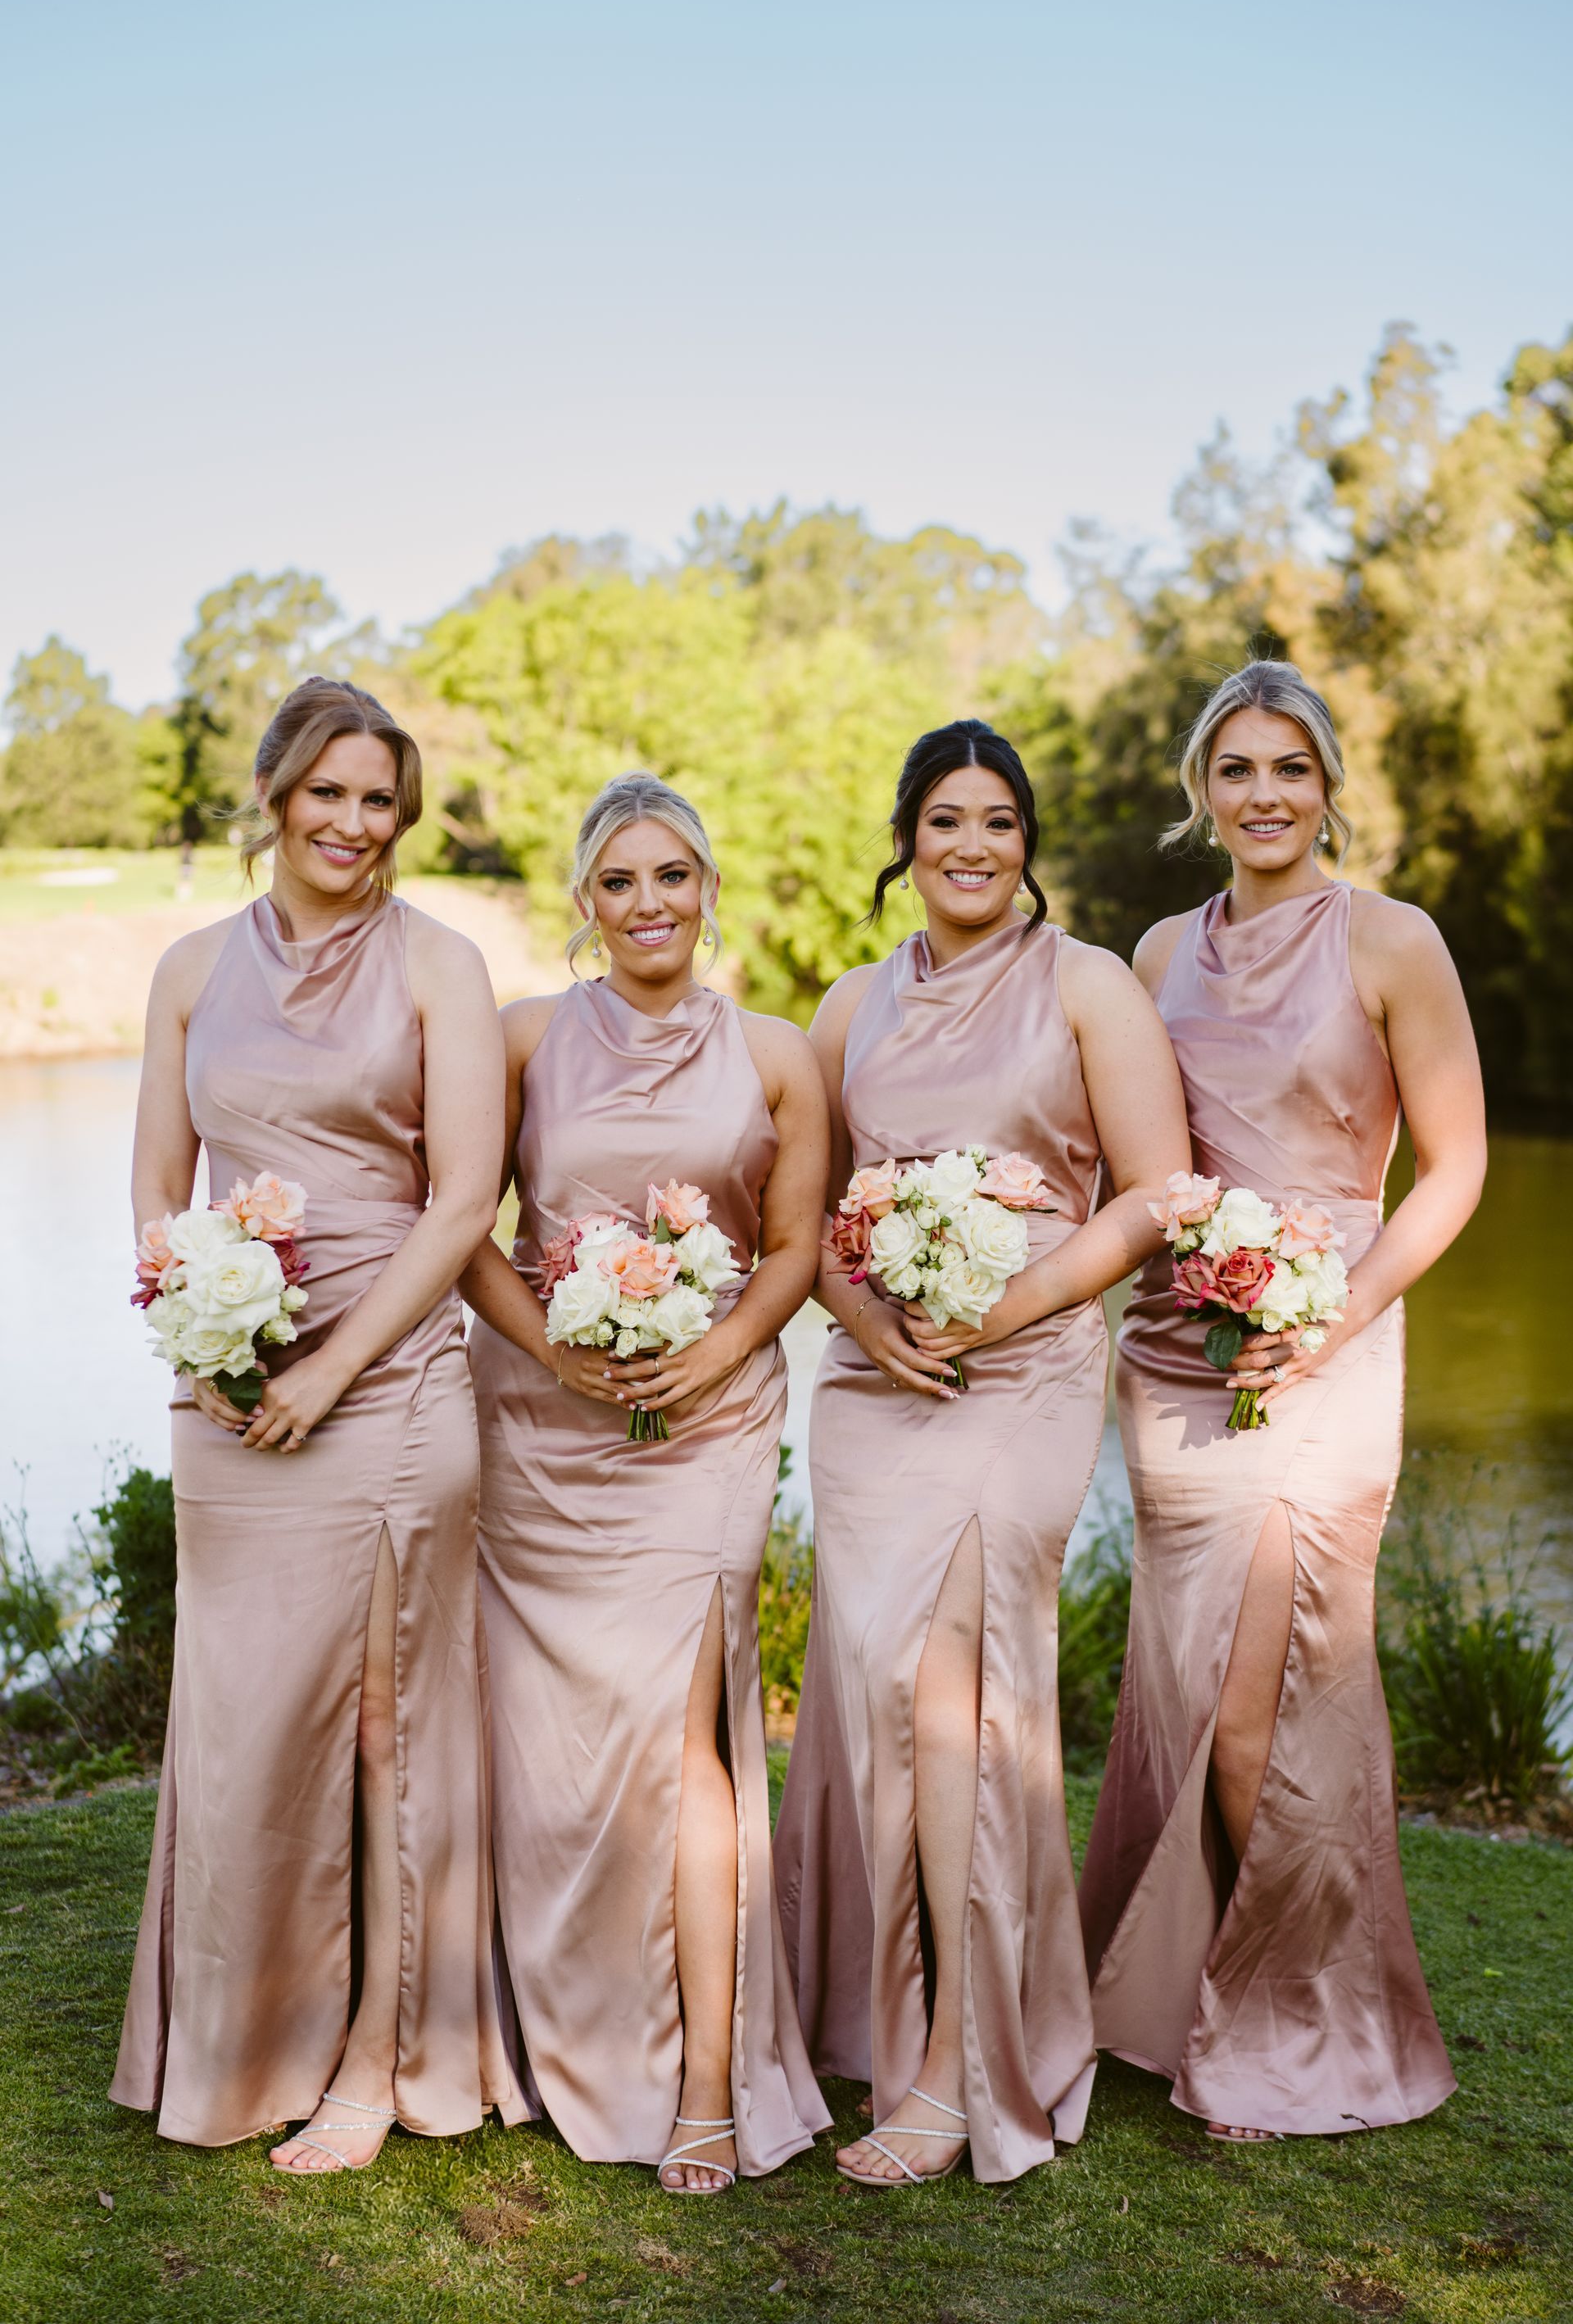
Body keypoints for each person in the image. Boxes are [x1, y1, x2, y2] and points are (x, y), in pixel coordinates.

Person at [774, 718, 1190, 2186]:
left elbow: (1153, 1199)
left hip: (1026, 1376)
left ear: (1029, 842)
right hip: (877, 1384)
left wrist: (1006, 1305)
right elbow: (798, 1219)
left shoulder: (1088, 987)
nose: (971, 845)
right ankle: (865, 2015)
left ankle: (958, 2071)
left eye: (1000, 821)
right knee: (876, 1684)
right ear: (906, 840)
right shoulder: (847, 1007)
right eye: (945, 819)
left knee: (959, 1690)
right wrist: (865, 1317)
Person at [111, 677, 519, 2170]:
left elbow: (465, 1198)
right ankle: (235, 2043)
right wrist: (200, 1325)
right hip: (226, 1395)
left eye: (380, 799)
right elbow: (162, 1189)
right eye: (328, 791)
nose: (354, 822)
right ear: (276, 795)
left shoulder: (443, 965)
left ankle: (378, 2063)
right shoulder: (187, 969)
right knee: (241, 1726)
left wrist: (327, 1370)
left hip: (390, 1389)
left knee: (386, 1736)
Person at [1079, 659, 1486, 2141]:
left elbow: (1454, 1172)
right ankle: (1169, 1996)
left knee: (1271, 1712)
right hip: (1180, 1362)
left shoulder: (1394, 941)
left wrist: (1334, 1315)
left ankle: (1299, 2026)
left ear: (1328, 787)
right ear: (1203, 791)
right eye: (1235, 771)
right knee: (1184, 1690)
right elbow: (1127, 1162)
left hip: (1328, 1355)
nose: (1263, 796)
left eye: (1289, 770)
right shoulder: (1150, 959)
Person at [462, 771, 832, 2195]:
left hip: (709, 1426)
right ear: (583, 903)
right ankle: (551, 2035)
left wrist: (719, 1348)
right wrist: (558, 1338)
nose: (647, 904)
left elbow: (793, 1248)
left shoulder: (784, 1054)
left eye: (672, 874)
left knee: (689, 1745)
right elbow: (471, 1227)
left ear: (710, 886)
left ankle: (704, 2083)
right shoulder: (519, 1039)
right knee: (553, 1750)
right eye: (618, 882)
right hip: (542, 1431)